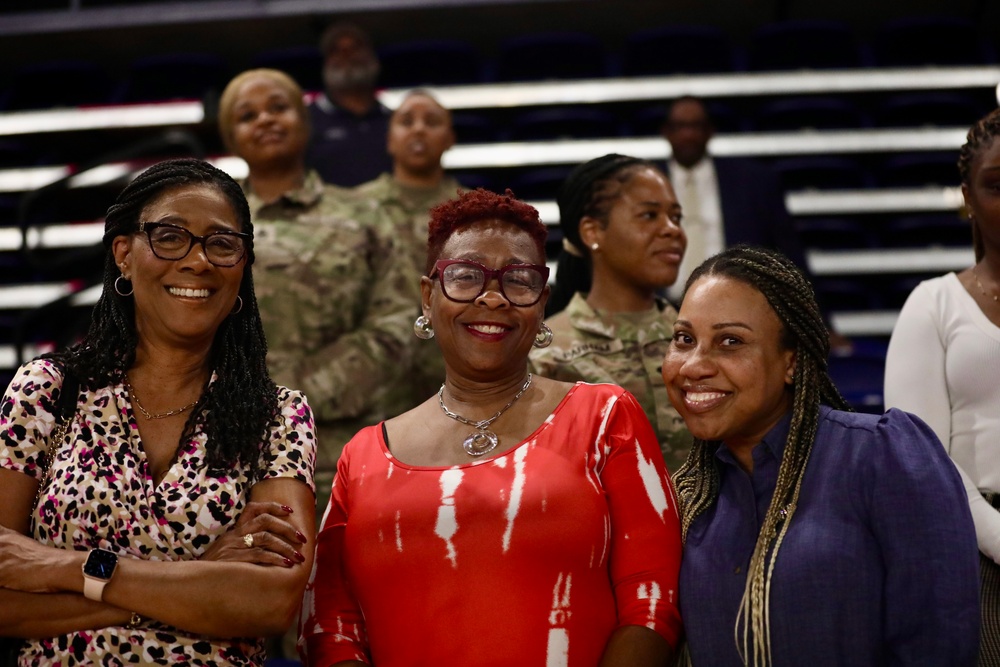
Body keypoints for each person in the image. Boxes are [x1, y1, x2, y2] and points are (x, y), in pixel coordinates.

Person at [299, 188, 683, 666]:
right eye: (466, 277)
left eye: (518, 280)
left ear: (542, 302)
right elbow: (330, 627)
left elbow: (652, 602)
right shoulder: (363, 456)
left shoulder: (605, 416)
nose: (493, 297)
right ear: (427, 295)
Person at [0, 158, 317, 665]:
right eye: (170, 236)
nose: (197, 261)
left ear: (243, 265)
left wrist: (64, 569)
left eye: (222, 243)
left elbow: (271, 601)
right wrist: (200, 576)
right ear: (124, 254)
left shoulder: (276, 415)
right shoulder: (49, 391)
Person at [662, 244, 980, 666]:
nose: (694, 366)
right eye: (684, 339)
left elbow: (938, 645)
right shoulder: (688, 496)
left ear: (791, 362)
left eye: (730, 341)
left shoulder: (881, 457)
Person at [217, 68, 416, 474]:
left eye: (278, 108)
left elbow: (396, 322)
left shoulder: (365, 216)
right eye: (247, 115)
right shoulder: (209, 225)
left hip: (344, 454)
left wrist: (295, 394)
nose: (266, 120)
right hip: (231, 452)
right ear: (230, 138)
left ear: (305, 124)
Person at [884, 107, 1000, 665]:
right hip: (972, 553)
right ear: (968, 196)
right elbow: (921, 456)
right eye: (997, 185)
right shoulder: (933, 303)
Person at [531, 154, 692, 473]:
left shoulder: (703, 340)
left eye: (676, 217)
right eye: (649, 215)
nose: (671, 230)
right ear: (592, 232)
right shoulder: (545, 356)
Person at [352, 88, 463, 405]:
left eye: (431, 121)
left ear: (449, 139)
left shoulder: (473, 211)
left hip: (453, 371)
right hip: (372, 380)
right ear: (390, 139)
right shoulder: (353, 208)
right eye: (406, 121)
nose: (418, 129)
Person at [305, 20, 393, 187]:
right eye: (336, 51)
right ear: (325, 64)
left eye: (356, 48)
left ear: (374, 60)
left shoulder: (397, 121)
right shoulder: (304, 121)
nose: (347, 55)